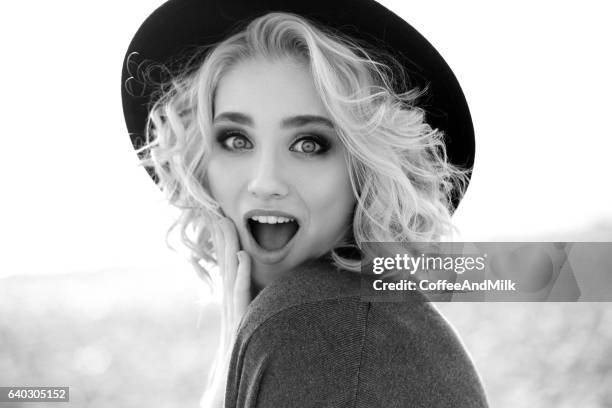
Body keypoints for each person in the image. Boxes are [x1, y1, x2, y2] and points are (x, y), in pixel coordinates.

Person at [122, 1, 487, 407]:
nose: (265, 182)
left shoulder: (304, 322)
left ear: (365, 171)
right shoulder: (363, 315)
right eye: (236, 140)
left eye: (309, 144)